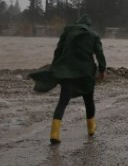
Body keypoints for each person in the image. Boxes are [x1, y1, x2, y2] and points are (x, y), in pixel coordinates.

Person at [30, 14, 106, 144]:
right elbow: (99, 53)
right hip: (85, 73)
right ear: (89, 25)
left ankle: (54, 133)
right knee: (88, 100)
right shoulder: (93, 35)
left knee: (62, 102)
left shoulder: (67, 32)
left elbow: (58, 51)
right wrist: (102, 70)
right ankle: (91, 129)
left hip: (66, 71)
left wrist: (56, 66)